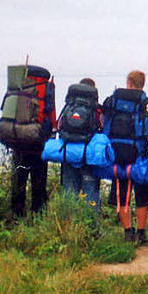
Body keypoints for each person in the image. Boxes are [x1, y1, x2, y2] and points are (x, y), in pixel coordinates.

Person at [105, 70, 148, 244]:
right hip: (140, 154)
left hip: (117, 153)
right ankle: (142, 234)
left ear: (128, 82)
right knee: (142, 193)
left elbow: (104, 121)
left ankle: (128, 232)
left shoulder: (113, 101)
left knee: (122, 194)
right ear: (142, 84)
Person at [8, 65, 56, 218]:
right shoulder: (46, 90)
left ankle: (16, 215)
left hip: (19, 144)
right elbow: (51, 118)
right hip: (38, 145)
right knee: (39, 181)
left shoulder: (19, 89)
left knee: (18, 179)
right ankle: (38, 215)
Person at [59, 78, 101, 214]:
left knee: (69, 190)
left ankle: (68, 224)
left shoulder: (69, 107)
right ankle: (91, 227)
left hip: (69, 153)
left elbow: (59, 126)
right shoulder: (96, 110)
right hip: (88, 156)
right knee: (91, 191)